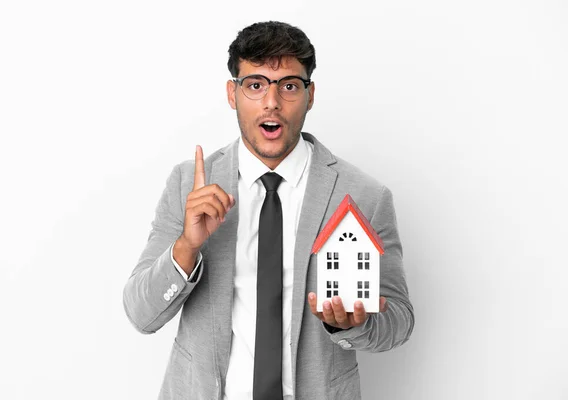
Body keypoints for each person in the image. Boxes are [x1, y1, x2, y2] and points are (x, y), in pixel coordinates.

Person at [123, 21, 414, 400]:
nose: (272, 102)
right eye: (255, 85)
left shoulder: (365, 195)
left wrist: (352, 326)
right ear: (233, 93)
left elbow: (399, 322)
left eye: (289, 86)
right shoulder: (189, 185)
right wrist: (186, 247)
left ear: (310, 96)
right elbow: (140, 314)